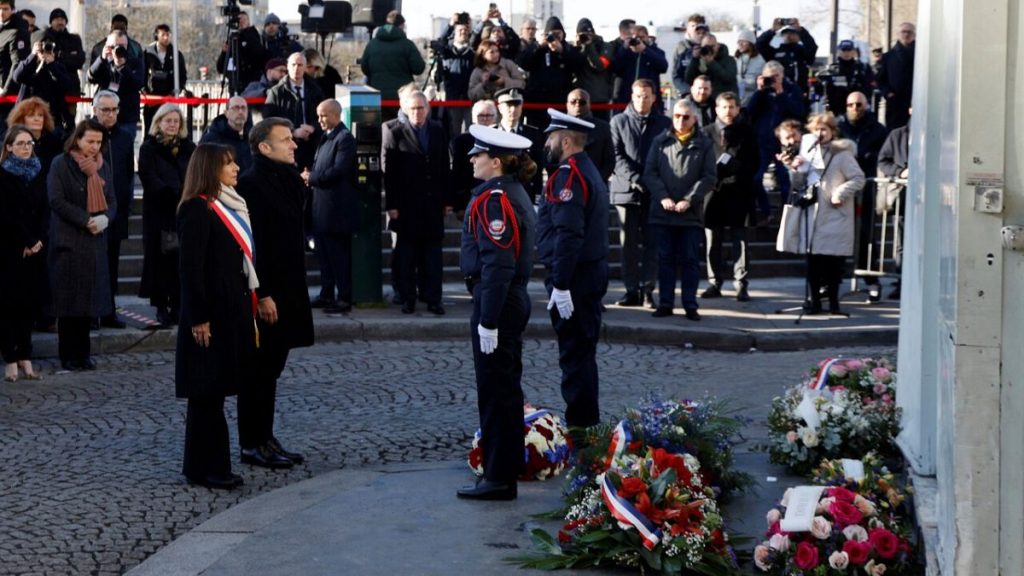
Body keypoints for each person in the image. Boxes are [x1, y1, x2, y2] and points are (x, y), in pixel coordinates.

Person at [456, 126, 537, 501]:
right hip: (507, 300)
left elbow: (498, 264)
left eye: (478, 154)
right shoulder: (509, 194)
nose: (472, 159)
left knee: (497, 391)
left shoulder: (496, 200)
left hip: (499, 303)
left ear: (497, 161)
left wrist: (488, 319)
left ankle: (499, 476)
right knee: (504, 388)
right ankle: (502, 469)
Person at [175, 143, 257, 490]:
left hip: (228, 311)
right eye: (228, 164)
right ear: (210, 169)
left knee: (215, 392)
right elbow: (191, 270)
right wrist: (199, 318)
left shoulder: (225, 205)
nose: (236, 168)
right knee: (206, 393)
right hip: (208, 316)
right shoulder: (197, 209)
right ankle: (209, 468)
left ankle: (203, 465)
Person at [235, 117, 315, 469]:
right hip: (266, 292)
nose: (293, 144)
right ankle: (251, 442)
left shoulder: (288, 180)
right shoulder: (252, 184)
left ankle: (265, 437)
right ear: (264, 147)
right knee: (257, 370)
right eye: (285, 140)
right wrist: (262, 293)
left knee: (272, 369)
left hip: (289, 288)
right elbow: (251, 247)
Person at [536, 109, 609, 428]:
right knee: (582, 353)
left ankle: (581, 428)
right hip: (586, 275)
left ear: (566, 140)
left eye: (551, 137)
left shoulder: (569, 175)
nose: (547, 143)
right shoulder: (585, 169)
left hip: (575, 278)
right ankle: (585, 423)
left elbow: (568, 233)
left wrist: (561, 284)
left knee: (575, 356)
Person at [47, 119, 116, 371]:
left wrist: (105, 219)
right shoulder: (61, 164)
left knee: (88, 303)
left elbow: (112, 201)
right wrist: (86, 219)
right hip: (69, 241)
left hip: (94, 241)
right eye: (90, 141)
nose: (95, 146)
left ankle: (83, 354)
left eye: (98, 142)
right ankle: (68, 354)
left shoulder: (103, 167)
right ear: (78, 139)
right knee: (68, 304)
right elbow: (56, 200)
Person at [780, 112, 865, 315]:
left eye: (824, 129)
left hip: (835, 215)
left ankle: (834, 304)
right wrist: (796, 169)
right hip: (813, 214)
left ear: (832, 132)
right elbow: (799, 185)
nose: (820, 133)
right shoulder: (808, 154)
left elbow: (858, 178)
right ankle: (815, 303)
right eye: (816, 129)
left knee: (833, 264)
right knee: (813, 263)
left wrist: (840, 192)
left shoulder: (842, 155)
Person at [644, 99, 716, 321]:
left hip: (690, 214)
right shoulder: (660, 141)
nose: (681, 121)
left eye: (686, 117)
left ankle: (690, 304)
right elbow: (650, 173)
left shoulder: (704, 144)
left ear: (694, 118)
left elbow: (709, 177)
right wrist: (663, 197)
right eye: (677, 116)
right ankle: (665, 303)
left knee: (690, 261)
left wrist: (690, 199)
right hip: (663, 212)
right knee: (664, 260)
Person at [382, 90, 451, 315]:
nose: (417, 112)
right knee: (407, 256)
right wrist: (391, 205)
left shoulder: (438, 131)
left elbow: (444, 168)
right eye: (412, 108)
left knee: (432, 256)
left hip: (432, 205)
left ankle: (434, 299)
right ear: (405, 109)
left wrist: (446, 200)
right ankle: (408, 299)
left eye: (420, 108)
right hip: (406, 207)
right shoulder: (396, 132)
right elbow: (390, 174)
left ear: (427, 108)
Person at [609, 79, 672, 308]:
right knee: (628, 246)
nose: (642, 100)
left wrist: (652, 182)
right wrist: (636, 179)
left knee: (651, 244)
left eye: (646, 96)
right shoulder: (618, 121)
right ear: (631, 96)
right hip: (626, 192)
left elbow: (667, 156)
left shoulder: (664, 123)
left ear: (654, 97)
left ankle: (648, 290)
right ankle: (630, 290)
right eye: (637, 96)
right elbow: (616, 156)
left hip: (654, 193)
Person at [138, 103, 195, 326]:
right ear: (158, 122)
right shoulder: (148, 148)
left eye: (176, 121)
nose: (172, 125)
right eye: (168, 120)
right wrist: (170, 194)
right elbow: (148, 177)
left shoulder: (189, 147)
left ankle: (180, 305)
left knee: (182, 260)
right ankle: (161, 306)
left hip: (184, 210)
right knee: (159, 261)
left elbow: (194, 172)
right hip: (159, 212)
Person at [702, 92, 758, 302]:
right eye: (724, 107)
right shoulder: (706, 132)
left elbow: (754, 161)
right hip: (713, 193)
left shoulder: (747, 132)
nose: (728, 111)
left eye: (732, 107)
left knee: (740, 240)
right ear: (716, 109)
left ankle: (741, 283)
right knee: (712, 241)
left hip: (739, 190)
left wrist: (736, 168)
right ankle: (714, 282)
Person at [1, 125, 46, 381]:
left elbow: (44, 210)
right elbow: (7, 215)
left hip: (35, 248)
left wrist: (38, 240)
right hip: (11, 249)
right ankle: (10, 358)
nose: (26, 147)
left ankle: (26, 357)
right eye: (20, 143)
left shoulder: (38, 172)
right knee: (9, 306)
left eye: (29, 143)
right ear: (9, 147)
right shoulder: (4, 175)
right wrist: (26, 242)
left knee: (29, 305)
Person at [838, 90, 889, 301]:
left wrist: (868, 157)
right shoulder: (840, 128)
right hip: (842, 186)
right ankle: (831, 281)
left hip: (866, 188)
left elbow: (885, 155)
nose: (854, 109)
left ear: (866, 106)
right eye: (850, 105)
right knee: (837, 233)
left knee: (866, 235)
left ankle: (871, 280)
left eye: (858, 105)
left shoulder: (877, 130)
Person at [307, 99, 357, 314]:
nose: (320, 120)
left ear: (336, 115)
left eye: (324, 115)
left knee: (339, 257)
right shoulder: (326, 137)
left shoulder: (344, 139)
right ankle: (327, 293)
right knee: (324, 256)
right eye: (318, 115)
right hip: (321, 210)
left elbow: (338, 170)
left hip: (336, 211)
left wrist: (312, 177)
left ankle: (344, 297)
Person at [91, 90, 133, 329]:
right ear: (95, 109)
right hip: (92, 210)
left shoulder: (125, 138)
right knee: (92, 264)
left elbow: (128, 174)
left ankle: (108, 312)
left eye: (114, 109)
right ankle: (90, 313)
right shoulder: (85, 134)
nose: (110, 114)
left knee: (112, 265)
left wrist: (124, 205)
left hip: (115, 211)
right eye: (105, 109)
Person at [746, 60, 805, 217]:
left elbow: (799, 111)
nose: (773, 79)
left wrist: (781, 94)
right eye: (769, 77)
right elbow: (749, 113)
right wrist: (759, 91)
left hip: (786, 142)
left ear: (783, 75)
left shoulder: (792, 89)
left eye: (776, 76)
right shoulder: (762, 92)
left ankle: (786, 215)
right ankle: (766, 212)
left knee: (786, 182)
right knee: (756, 179)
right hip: (764, 141)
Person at [517, 17, 583, 129]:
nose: (555, 37)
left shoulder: (568, 48)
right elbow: (522, 62)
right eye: (552, 34)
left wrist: (562, 51)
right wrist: (537, 46)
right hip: (538, 103)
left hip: (560, 101)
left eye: (558, 33)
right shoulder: (538, 49)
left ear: (563, 34)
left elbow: (579, 65)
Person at [263, 52, 323, 171]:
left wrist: (313, 128)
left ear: (305, 67)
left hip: (312, 146)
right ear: (288, 67)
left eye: (300, 65)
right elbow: (268, 121)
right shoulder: (276, 92)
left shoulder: (315, 89)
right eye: (293, 64)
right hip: (286, 147)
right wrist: (293, 132)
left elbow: (324, 116)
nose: (297, 68)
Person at [359, 10, 425, 118]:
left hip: (377, 97)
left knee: (381, 131)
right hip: (403, 97)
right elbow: (419, 68)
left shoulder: (372, 44)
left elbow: (365, 68)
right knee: (401, 130)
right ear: (401, 26)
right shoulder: (407, 45)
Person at [876, 113, 910, 299]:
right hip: (902, 195)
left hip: (930, 197)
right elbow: (883, 161)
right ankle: (901, 281)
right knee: (901, 242)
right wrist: (900, 172)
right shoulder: (897, 135)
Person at [88, 29, 145, 139]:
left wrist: (122, 67)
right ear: (107, 46)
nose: (118, 49)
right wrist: (101, 59)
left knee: (124, 149)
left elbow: (138, 84)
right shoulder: (103, 62)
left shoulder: (135, 62)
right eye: (114, 46)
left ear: (127, 46)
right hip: (103, 115)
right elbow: (91, 78)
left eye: (122, 46)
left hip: (126, 115)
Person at [34, 9, 86, 124]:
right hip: (49, 90)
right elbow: (43, 60)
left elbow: (79, 61)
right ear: (51, 22)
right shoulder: (45, 38)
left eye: (62, 19)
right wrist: (68, 56)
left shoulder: (74, 39)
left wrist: (58, 55)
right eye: (56, 19)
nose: (60, 22)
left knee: (69, 123)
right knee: (50, 122)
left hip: (70, 90)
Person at [12, 39, 76, 131]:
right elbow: (17, 76)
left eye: (48, 49)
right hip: (27, 115)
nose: (44, 52)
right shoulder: (29, 64)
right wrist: (33, 55)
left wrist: (52, 65)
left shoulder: (57, 66)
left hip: (52, 116)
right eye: (42, 49)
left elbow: (67, 85)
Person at [494, 88, 543, 202]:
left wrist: (537, 194)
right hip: (498, 192)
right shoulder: (492, 134)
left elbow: (538, 167)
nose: (513, 109)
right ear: (500, 107)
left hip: (525, 193)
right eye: (508, 105)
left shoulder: (533, 134)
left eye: (517, 105)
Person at [450, 99, 498, 213]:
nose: (485, 119)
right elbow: (457, 173)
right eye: (481, 115)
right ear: (473, 118)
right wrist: (459, 205)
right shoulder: (461, 141)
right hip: (470, 198)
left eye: (489, 115)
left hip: (495, 196)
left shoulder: (501, 140)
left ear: (495, 117)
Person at [142, 24, 188, 135]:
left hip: (169, 98)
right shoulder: (147, 53)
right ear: (157, 36)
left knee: (169, 129)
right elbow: (142, 73)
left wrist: (177, 89)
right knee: (151, 130)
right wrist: (144, 90)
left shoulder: (176, 54)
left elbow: (182, 75)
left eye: (168, 35)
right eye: (163, 35)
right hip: (151, 99)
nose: (166, 38)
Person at [433, 17, 475, 137]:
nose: (463, 33)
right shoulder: (447, 52)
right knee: (453, 132)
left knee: (470, 131)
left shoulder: (472, 54)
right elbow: (439, 43)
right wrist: (450, 26)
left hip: (469, 98)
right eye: (460, 30)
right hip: (452, 98)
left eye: (465, 30)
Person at [612, 25, 668, 114]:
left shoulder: (656, 51)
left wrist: (645, 50)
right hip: (626, 99)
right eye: (636, 38)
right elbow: (615, 68)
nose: (639, 41)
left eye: (642, 37)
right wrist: (624, 48)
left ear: (647, 37)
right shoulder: (625, 52)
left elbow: (663, 67)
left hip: (649, 99)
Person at [755, 19, 817, 95]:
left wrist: (801, 30)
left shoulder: (803, 52)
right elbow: (759, 45)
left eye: (792, 33)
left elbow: (812, 47)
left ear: (798, 35)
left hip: (798, 92)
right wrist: (772, 31)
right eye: (785, 33)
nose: (789, 35)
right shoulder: (775, 52)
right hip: (778, 92)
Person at [571, 18, 615, 121]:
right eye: (582, 35)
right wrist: (575, 47)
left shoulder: (605, 46)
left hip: (599, 99)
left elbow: (599, 66)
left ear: (593, 33)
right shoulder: (575, 48)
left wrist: (589, 46)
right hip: (579, 99)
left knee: (600, 129)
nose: (585, 37)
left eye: (588, 34)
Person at [566, 88, 614, 181]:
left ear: (589, 104)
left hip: (594, 182)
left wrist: (596, 180)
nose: (577, 104)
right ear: (567, 104)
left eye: (582, 102)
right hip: (564, 182)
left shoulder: (602, 127)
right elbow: (550, 159)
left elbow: (609, 160)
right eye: (573, 101)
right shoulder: (558, 126)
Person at [215, 11, 265, 95]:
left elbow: (257, 55)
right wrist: (224, 53)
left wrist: (244, 33)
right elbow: (221, 68)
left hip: (251, 85)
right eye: (238, 20)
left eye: (243, 20)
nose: (241, 22)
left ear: (249, 22)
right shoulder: (233, 39)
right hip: (234, 86)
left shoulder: (253, 36)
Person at [820, 40, 875, 114]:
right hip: (837, 109)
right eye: (844, 50)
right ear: (839, 51)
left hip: (857, 108)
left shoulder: (862, 68)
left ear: (854, 52)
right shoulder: (832, 69)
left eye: (849, 50)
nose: (846, 53)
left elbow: (869, 87)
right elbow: (824, 90)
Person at [877, 23, 915, 128]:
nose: (906, 35)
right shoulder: (888, 57)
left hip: (916, 102)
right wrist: (888, 93)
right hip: (895, 105)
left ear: (914, 35)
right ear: (898, 34)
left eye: (909, 32)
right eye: (903, 32)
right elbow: (880, 80)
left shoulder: (921, 55)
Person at [200, 96, 253, 171]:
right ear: (226, 113)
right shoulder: (212, 139)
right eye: (236, 108)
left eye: (244, 108)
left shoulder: (254, 138)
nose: (240, 112)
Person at [685, 34, 738, 100]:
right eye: (706, 47)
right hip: (704, 99)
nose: (709, 49)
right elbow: (689, 79)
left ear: (718, 46)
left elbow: (728, 78)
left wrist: (712, 63)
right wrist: (694, 59)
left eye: (712, 46)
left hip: (723, 99)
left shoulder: (729, 60)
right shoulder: (699, 60)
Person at [0, 0, 30, 119]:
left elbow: (16, 63)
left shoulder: (17, 32)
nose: (1, 12)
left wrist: (5, 90)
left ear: (12, 10)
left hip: (8, 92)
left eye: (5, 9)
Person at [671, 14, 707, 98]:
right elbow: (676, 75)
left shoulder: (711, 45)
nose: (695, 29)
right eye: (692, 26)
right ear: (687, 29)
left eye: (698, 26)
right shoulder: (681, 48)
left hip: (706, 93)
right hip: (687, 94)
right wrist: (687, 91)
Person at [734, 29, 765, 105]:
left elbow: (757, 81)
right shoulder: (737, 58)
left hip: (752, 99)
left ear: (751, 43)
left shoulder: (760, 60)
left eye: (743, 41)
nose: (740, 44)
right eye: (739, 42)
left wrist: (740, 81)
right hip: (738, 98)